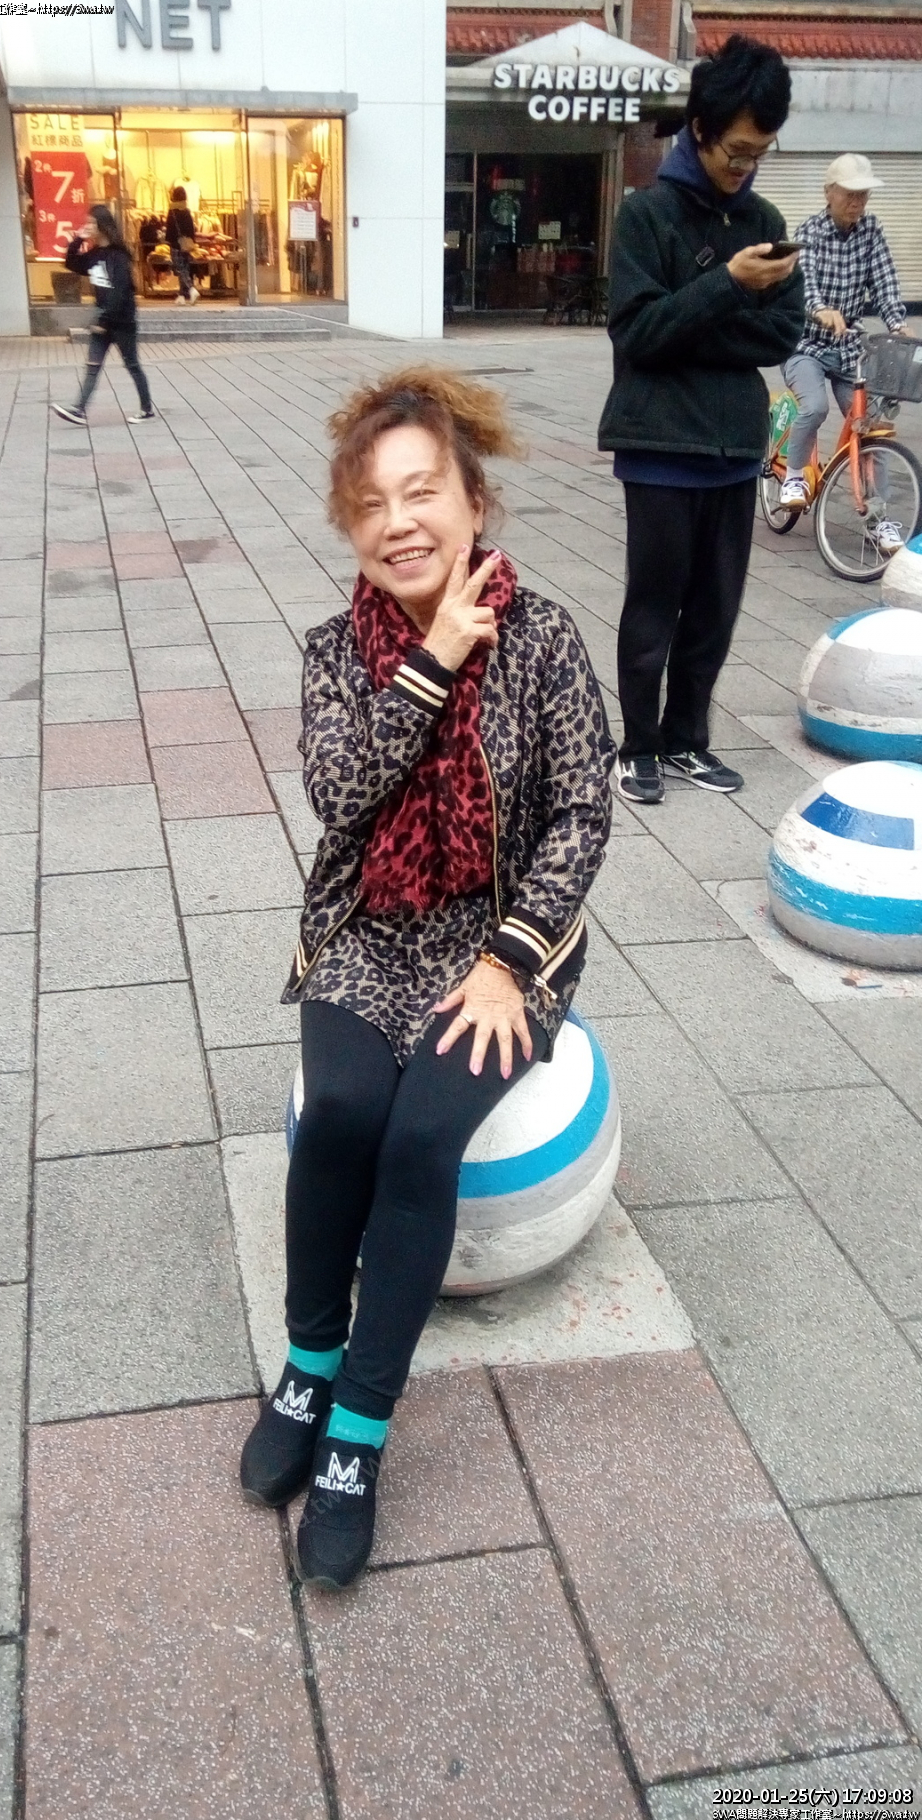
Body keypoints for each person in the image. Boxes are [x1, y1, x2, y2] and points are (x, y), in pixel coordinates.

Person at [239, 368, 614, 1590]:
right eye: (371, 503)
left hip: (503, 936)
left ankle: (356, 1426)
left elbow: (582, 811)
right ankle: (307, 1362)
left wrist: (509, 961)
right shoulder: (332, 652)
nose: (398, 522)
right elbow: (341, 796)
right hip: (370, 926)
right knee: (342, 1109)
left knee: (418, 1138)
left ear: (472, 501)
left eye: (421, 492)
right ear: (349, 524)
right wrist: (434, 658)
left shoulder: (546, 639)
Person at [598, 34, 805, 806]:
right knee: (654, 606)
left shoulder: (766, 217)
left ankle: (688, 739)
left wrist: (695, 321)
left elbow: (780, 335)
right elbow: (638, 334)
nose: (744, 165)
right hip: (658, 446)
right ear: (700, 130)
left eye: (759, 152)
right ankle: (638, 746)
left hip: (734, 448)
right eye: (735, 150)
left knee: (716, 611)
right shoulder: (645, 216)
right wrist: (727, 288)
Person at [779, 152, 910, 554]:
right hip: (807, 344)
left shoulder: (871, 230)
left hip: (850, 347)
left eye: (863, 194)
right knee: (814, 406)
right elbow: (805, 282)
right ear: (829, 193)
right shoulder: (811, 230)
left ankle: (879, 518)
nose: (857, 201)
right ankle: (794, 475)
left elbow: (884, 281)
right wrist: (820, 309)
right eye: (850, 193)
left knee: (871, 426)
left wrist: (897, 323)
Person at [52, 206, 154, 426]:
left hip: (121, 321)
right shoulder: (95, 254)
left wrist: (104, 320)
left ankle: (147, 409)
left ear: (102, 225)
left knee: (132, 365)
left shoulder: (119, 256)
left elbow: (120, 291)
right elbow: (71, 263)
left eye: (91, 223)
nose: (88, 226)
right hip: (102, 319)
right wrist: (78, 240)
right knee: (93, 366)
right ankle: (79, 410)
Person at [166, 186, 200, 305]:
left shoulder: (172, 212)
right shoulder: (186, 211)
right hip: (187, 244)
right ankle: (182, 295)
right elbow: (191, 229)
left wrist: (169, 241)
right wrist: (191, 241)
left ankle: (191, 289)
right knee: (185, 267)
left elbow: (170, 229)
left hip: (176, 244)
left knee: (179, 268)